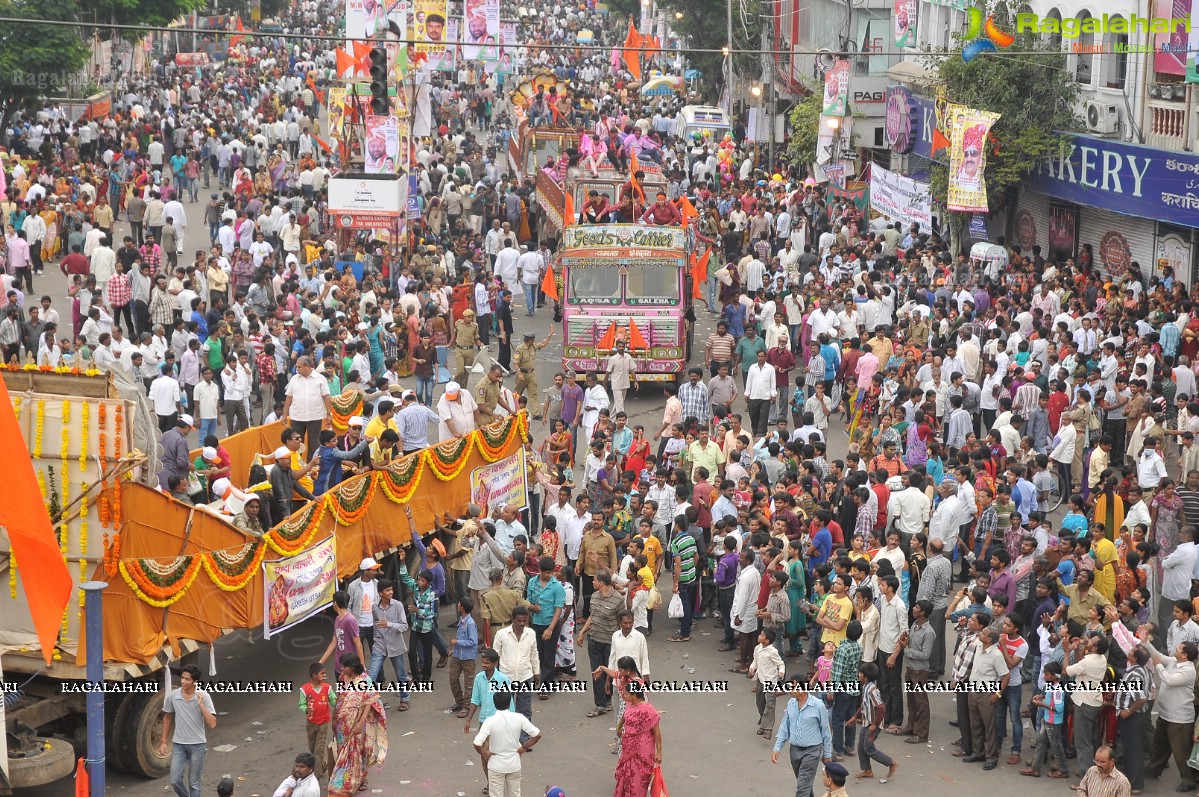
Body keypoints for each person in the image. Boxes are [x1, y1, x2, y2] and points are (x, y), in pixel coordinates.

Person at [328, 655, 387, 797]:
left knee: (360, 750)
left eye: (344, 666)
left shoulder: (365, 679)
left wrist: (360, 722)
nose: (342, 669)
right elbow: (341, 698)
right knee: (344, 751)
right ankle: (345, 779)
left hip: (358, 723)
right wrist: (335, 719)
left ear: (353, 667)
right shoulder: (343, 677)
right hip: (343, 724)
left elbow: (370, 701)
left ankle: (363, 778)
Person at [159, 663, 217, 797]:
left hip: (197, 745)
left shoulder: (204, 696)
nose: (183, 681)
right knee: (174, 780)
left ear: (195, 681)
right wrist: (163, 741)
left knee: (194, 783)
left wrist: (201, 705)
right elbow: (167, 716)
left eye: (187, 679)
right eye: (182, 678)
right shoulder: (173, 696)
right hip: (179, 744)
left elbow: (212, 723)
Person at [473, 689, 541, 797]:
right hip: (514, 764)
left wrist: (484, 753)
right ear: (510, 703)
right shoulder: (519, 718)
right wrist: (523, 748)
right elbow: (537, 735)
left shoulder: (490, 721)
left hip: (496, 765)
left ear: (494, 704)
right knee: (515, 794)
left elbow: (476, 743)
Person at [772, 680, 833, 797]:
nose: (791, 690)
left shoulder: (818, 705)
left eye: (794, 687)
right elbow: (785, 727)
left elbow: (826, 731)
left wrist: (827, 754)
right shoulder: (791, 703)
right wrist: (777, 748)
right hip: (795, 750)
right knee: (804, 783)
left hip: (812, 751)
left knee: (802, 786)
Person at [612, 680, 663, 797]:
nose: (623, 695)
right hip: (628, 746)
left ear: (634, 696)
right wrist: (619, 727)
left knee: (639, 779)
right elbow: (625, 716)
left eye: (625, 694)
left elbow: (657, 732)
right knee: (625, 775)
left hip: (643, 750)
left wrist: (659, 752)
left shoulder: (650, 710)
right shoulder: (630, 704)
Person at [298, 663, 335, 781]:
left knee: (319, 750)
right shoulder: (305, 690)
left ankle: (316, 775)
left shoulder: (327, 688)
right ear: (314, 676)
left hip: (323, 723)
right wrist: (305, 709)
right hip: (311, 723)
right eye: (322, 673)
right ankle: (323, 766)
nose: (324, 675)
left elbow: (334, 700)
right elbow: (301, 705)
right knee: (312, 748)